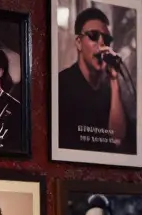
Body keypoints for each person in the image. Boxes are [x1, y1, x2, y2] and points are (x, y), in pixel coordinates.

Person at [56, 7, 134, 155]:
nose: (102, 44)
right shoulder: (61, 85)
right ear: (78, 42)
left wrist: (114, 79)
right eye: (93, 36)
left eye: (107, 39)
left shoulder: (110, 90)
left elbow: (117, 137)